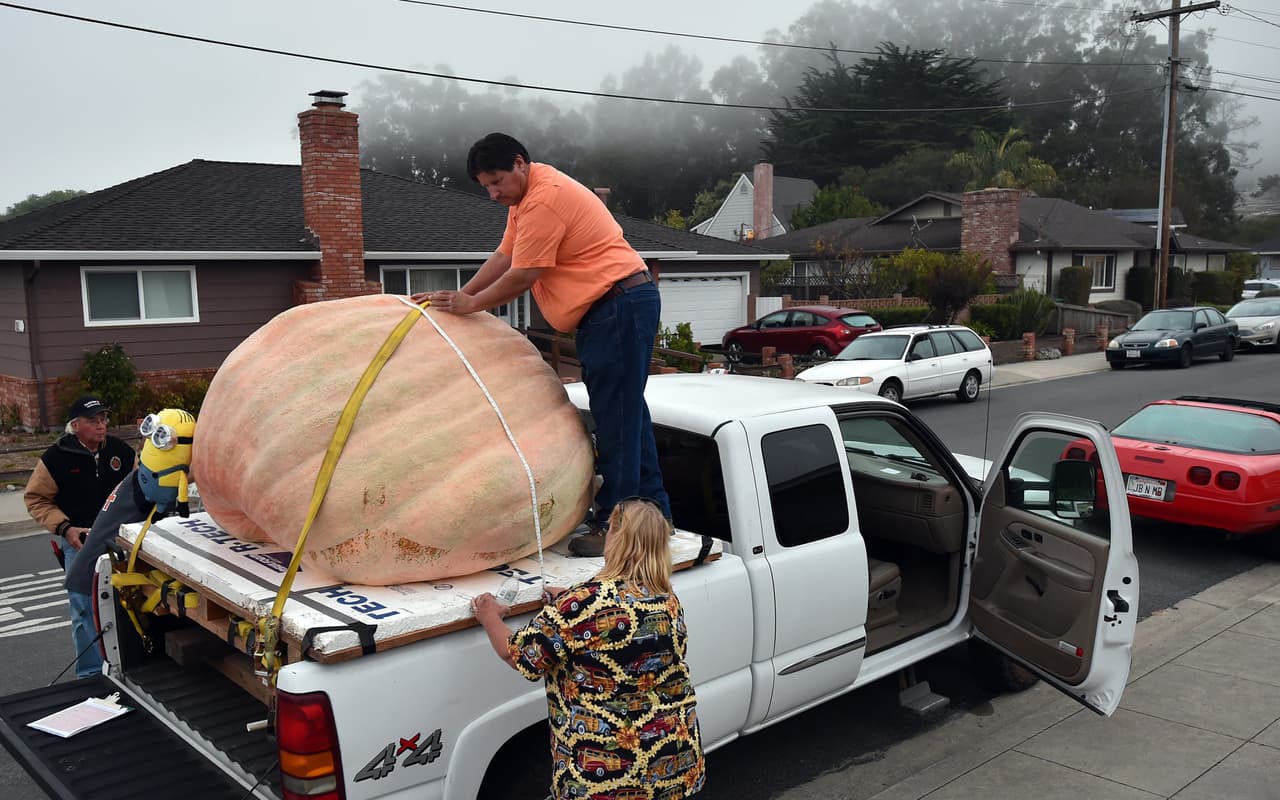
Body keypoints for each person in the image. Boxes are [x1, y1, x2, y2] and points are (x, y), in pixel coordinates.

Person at [414, 132, 670, 557]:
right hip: (617, 305)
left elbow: (525, 273)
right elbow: (504, 258)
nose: (494, 193)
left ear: (519, 163)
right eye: (486, 187)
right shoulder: (525, 200)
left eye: (497, 181)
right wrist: (460, 297)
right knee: (626, 412)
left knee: (616, 419)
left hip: (618, 305)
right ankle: (654, 516)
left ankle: (617, 526)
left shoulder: (543, 199)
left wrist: (473, 304)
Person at [472, 498, 704, 799]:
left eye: (608, 529)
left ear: (618, 538)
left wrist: (489, 616)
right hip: (674, 767)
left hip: (607, 783)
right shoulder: (665, 597)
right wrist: (572, 600)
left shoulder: (583, 605)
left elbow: (518, 655)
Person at [24, 395, 136, 678]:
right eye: (93, 421)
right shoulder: (56, 458)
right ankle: (90, 675)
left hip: (119, 542)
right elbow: (36, 498)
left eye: (103, 419)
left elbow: (139, 489)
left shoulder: (121, 452)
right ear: (75, 425)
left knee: (126, 606)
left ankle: (126, 669)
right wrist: (64, 528)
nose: (101, 426)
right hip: (79, 541)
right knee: (84, 610)